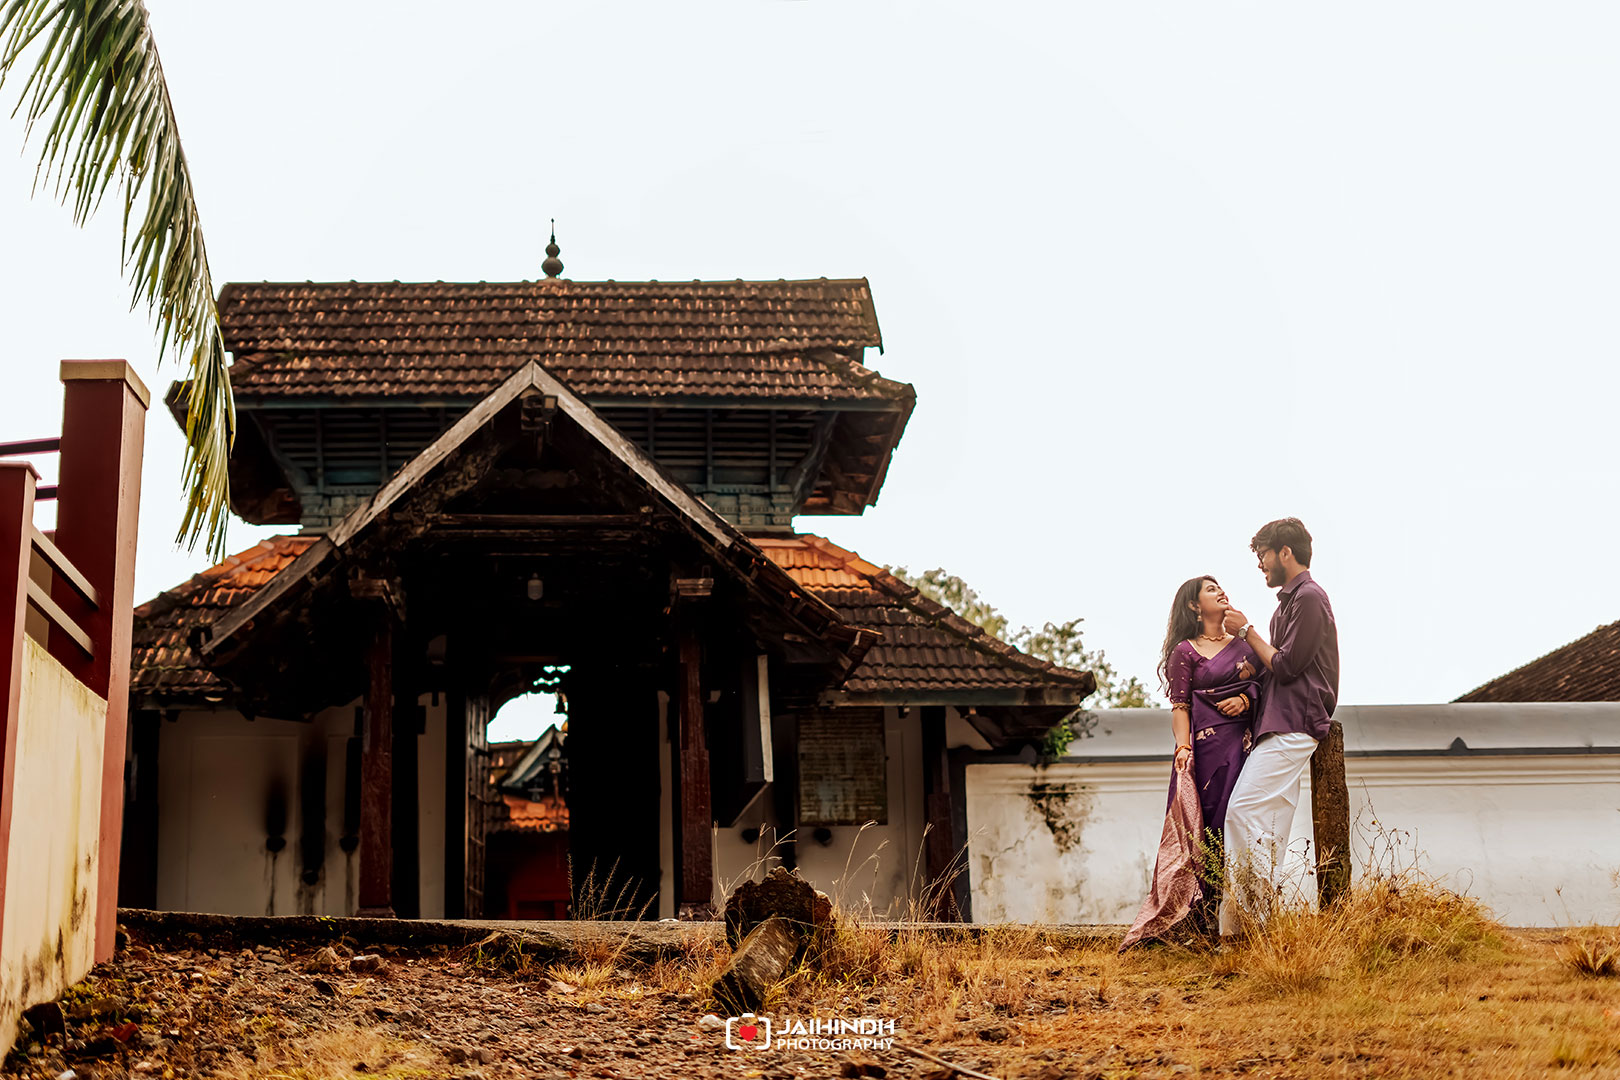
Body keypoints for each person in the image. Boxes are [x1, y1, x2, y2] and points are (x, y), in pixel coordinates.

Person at [1120, 575, 1264, 949]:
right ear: (1194, 606)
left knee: (1239, 823)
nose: (1221, 591)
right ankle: (1199, 922)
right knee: (1203, 831)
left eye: (1220, 586)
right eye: (1210, 589)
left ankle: (1243, 922)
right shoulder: (1184, 652)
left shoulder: (1245, 646)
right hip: (1204, 751)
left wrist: (1245, 700)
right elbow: (1180, 706)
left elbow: (1266, 685)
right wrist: (1183, 748)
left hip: (1244, 750)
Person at [1218, 517, 1340, 935]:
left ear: (1285, 552)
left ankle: (1248, 926)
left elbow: (1288, 667)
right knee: (1268, 827)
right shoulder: (1286, 606)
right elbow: (1274, 668)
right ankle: (1255, 931)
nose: (1260, 564)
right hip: (1280, 721)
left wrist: (1246, 631)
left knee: (1242, 811)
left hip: (1296, 721)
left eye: (1263, 554)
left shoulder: (1309, 598)